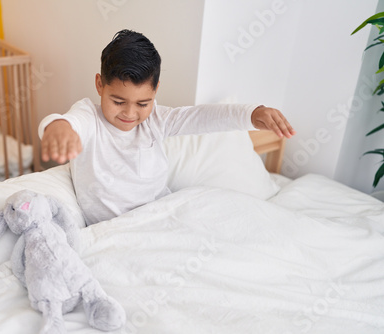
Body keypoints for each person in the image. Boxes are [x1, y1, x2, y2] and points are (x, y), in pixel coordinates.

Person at [39, 29, 295, 226]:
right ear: (99, 85)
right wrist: (57, 127)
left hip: (160, 215)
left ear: (155, 91)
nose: (130, 113)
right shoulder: (88, 117)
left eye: (143, 103)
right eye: (118, 101)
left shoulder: (157, 120)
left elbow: (202, 117)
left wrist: (251, 114)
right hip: (112, 229)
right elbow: (67, 121)